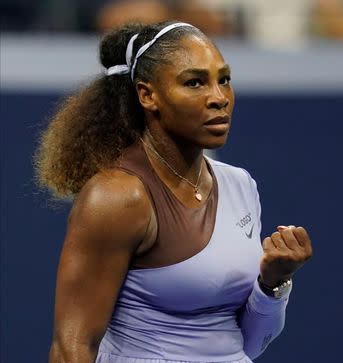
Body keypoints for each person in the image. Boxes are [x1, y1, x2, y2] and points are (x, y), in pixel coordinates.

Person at [36, 20, 313, 363]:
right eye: (195, 82)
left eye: (224, 80)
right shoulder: (117, 197)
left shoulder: (240, 185)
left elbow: (248, 345)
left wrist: (273, 284)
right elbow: (71, 348)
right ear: (147, 95)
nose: (219, 98)